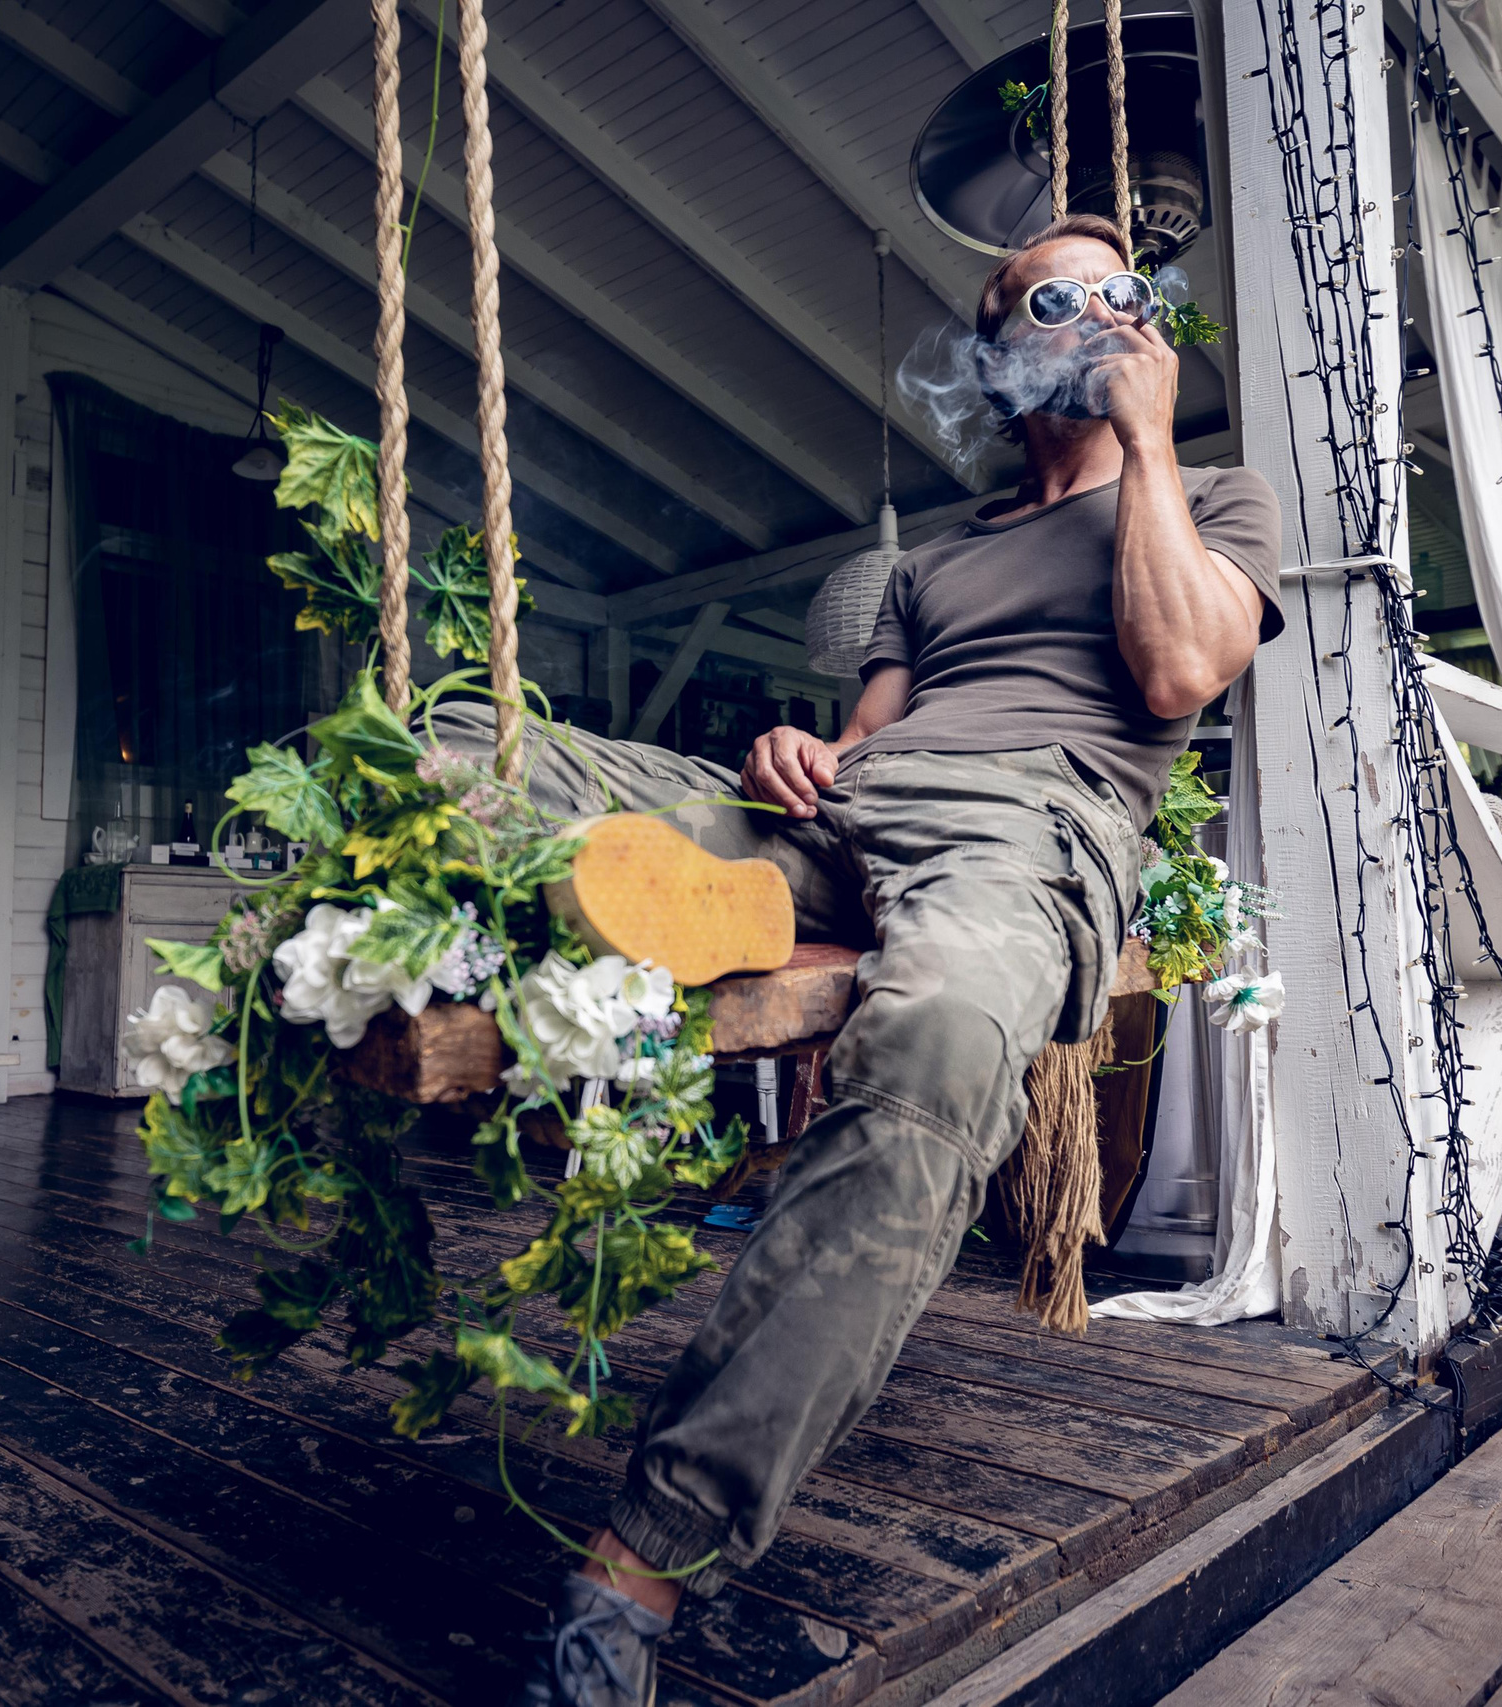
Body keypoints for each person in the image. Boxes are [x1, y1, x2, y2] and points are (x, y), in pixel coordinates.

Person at [475, 213, 1283, 1706]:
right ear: (997, 348)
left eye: (1122, 290)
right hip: (854, 812)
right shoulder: (928, 570)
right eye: (1057, 295)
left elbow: (1179, 672)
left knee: (940, 1035)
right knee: (479, 751)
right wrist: (808, 749)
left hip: (1029, 829)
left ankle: (641, 1565)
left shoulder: (1214, 498)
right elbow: (869, 742)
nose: (1099, 310)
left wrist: (1151, 440)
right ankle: (738, 900)